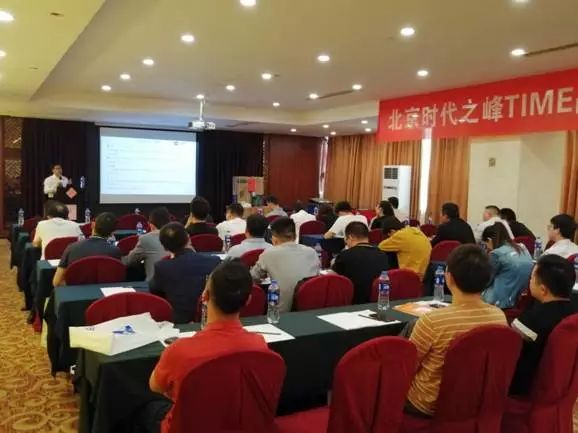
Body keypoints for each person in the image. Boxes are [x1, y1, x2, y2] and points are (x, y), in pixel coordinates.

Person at [144, 260, 269, 433]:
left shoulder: (179, 351)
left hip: (186, 426)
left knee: (145, 408)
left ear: (205, 296)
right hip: (235, 423)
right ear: (248, 300)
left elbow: (155, 386)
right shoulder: (259, 345)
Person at [406, 245, 507, 417]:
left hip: (430, 404)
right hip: (478, 399)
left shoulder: (432, 322)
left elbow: (408, 368)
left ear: (449, 277)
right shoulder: (499, 317)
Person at [510, 255, 578, 396]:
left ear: (542, 289)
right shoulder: (574, 311)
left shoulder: (531, 320)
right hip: (566, 384)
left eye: (532, 278)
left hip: (528, 389)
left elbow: (509, 356)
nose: (529, 281)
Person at [149, 222, 220, 323]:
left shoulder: (162, 267)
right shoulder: (214, 261)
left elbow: (154, 290)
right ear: (188, 238)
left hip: (180, 323)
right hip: (211, 319)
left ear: (164, 247)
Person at [251, 217, 319, 312]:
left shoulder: (269, 253)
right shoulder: (312, 252)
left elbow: (253, 277)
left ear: (274, 239)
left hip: (281, 313)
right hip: (311, 308)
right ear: (295, 236)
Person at [52, 212, 122, 286]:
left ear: (92, 225)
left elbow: (56, 282)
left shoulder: (72, 247)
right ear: (112, 233)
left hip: (75, 291)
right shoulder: (115, 251)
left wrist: (73, 285)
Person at [332, 222, 390, 304]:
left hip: (353, 302)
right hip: (378, 301)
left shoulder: (345, 255)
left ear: (350, 237)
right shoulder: (382, 254)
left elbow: (334, 278)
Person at [481, 223, 534, 309]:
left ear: (489, 240)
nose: (487, 248)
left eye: (485, 244)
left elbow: (486, 280)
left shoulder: (497, 254)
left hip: (498, 301)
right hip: (519, 298)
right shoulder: (522, 248)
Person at [123, 207, 171, 280]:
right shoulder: (180, 236)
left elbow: (129, 261)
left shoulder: (146, 239)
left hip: (155, 285)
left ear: (151, 225)